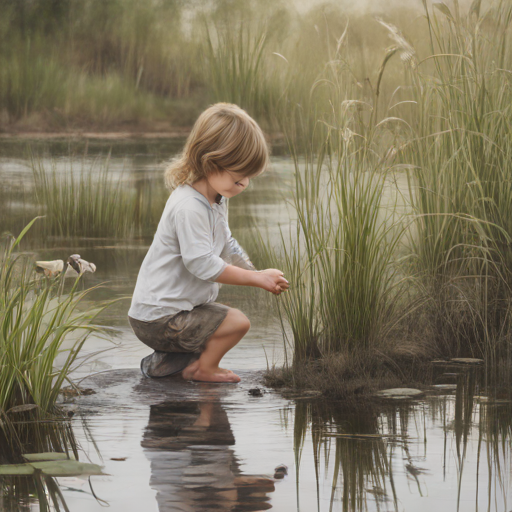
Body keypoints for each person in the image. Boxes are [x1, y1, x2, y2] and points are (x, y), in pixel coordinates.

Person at [128, 103, 289, 383]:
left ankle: (168, 363)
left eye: (248, 177)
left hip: (174, 311)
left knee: (219, 319)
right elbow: (202, 264)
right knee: (237, 322)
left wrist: (257, 272)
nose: (245, 183)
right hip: (157, 319)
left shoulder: (215, 198)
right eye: (239, 176)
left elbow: (226, 242)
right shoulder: (189, 206)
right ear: (208, 161)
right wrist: (254, 279)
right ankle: (203, 369)